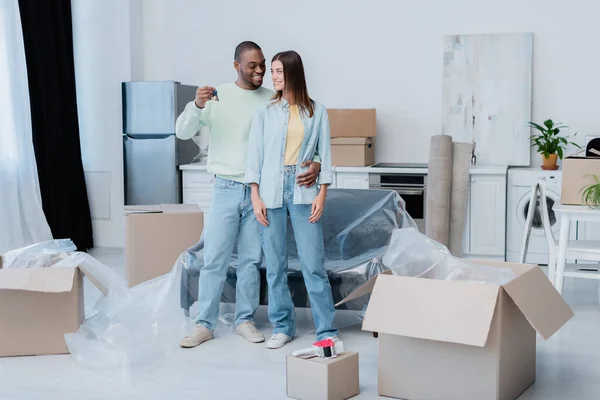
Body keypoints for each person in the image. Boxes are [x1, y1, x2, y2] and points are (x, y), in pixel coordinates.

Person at [176, 42, 322, 348]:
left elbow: (294, 139)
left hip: (264, 192)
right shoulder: (216, 96)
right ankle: (204, 323)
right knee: (214, 258)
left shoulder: (273, 98)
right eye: (252, 66)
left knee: (251, 261)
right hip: (226, 188)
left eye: (262, 65)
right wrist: (197, 105)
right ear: (236, 66)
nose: (259, 71)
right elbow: (182, 131)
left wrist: (316, 163)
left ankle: (245, 320)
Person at [245, 50, 338, 349]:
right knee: (275, 264)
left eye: (278, 72)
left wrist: (322, 193)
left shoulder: (317, 111)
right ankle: (283, 327)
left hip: (303, 190)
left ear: (293, 73)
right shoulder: (264, 112)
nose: (272, 77)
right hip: (270, 191)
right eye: (271, 71)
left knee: (313, 265)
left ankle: (327, 332)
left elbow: (324, 154)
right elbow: (254, 158)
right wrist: (255, 196)